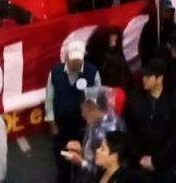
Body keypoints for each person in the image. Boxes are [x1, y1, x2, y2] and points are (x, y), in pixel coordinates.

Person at [46, 40, 101, 183]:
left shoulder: (92, 72)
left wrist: (92, 123)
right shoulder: (55, 72)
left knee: (81, 161)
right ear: (66, 57)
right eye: (74, 59)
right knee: (62, 160)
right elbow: (49, 98)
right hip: (61, 126)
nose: (77, 62)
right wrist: (52, 123)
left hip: (82, 127)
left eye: (79, 59)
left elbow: (97, 98)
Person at [123, 58, 176, 181]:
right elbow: (128, 130)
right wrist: (138, 158)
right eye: (144, 75)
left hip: (165, 166)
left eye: (148, 76)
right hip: (137, 163)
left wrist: (156, 160)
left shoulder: (175, 100)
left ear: (160, 78)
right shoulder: (133, 98)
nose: (143, 79)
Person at [64, 86, 126, 182]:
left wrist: (81, 162)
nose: (82, 115)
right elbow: (93, 151)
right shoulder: (95, 121)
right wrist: (81, 149)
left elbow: (105, 169)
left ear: (95, 109)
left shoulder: (108, 132)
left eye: (84, 111)